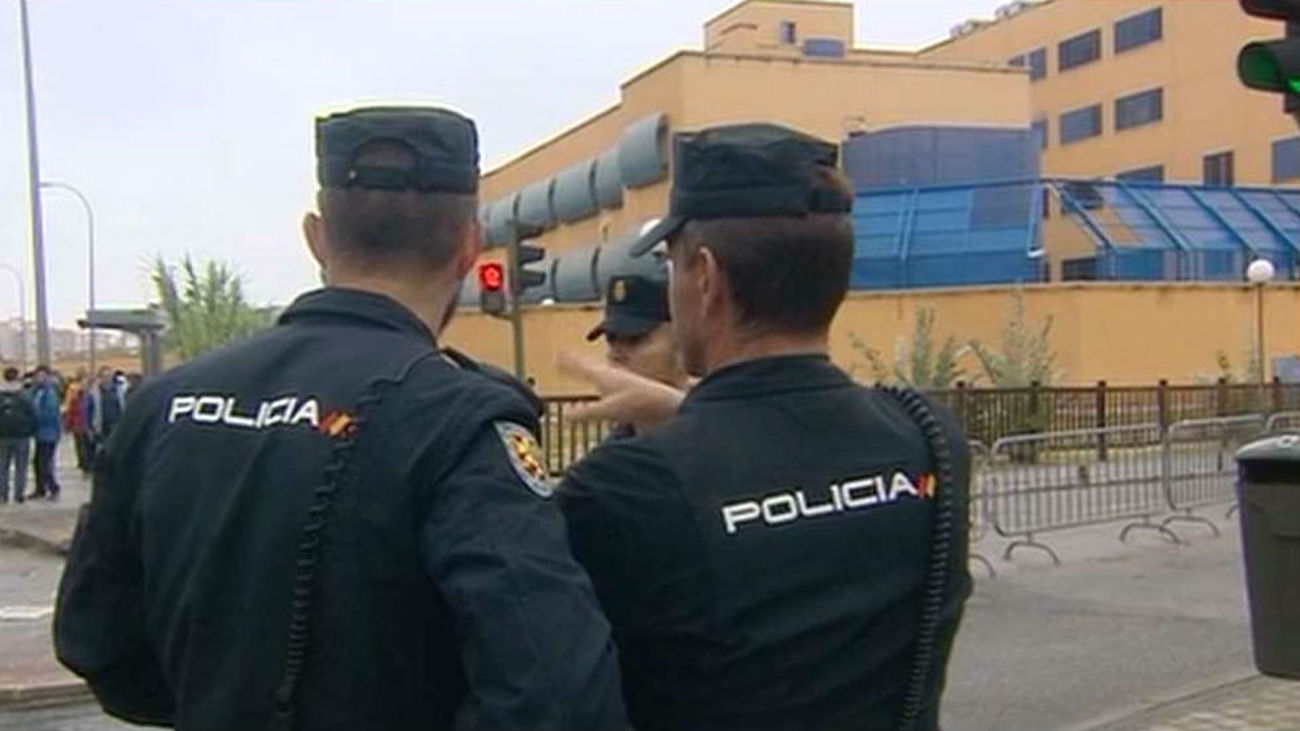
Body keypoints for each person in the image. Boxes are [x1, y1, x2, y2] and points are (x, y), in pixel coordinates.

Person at [55, 106, 625, 731]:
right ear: (469, 245)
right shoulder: (459, 421)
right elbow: (557, 695)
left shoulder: (163, 402)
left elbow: (98, 645)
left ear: (317, 238)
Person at [558, 123, 971, 731]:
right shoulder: (931, 440)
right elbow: (783, 450)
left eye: (672, 267)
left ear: (705, 277)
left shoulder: (624, 488)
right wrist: (686, 412)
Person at [585, 273, 688, 439]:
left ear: (682, 345)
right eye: (611, 339)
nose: (616, 355)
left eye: (634, 339)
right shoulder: (615, 449)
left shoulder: (716, 432)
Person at [0, 366, 35, 505]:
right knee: (21, 466)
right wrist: (31, 431)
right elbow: (33, 414)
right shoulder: (24, 395)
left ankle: (3, 494)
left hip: (2, 436)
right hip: (21, 436)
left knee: (3, 467)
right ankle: (19, 494)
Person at [28, 365, 61, 501]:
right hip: (39, 433)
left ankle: (54, 487)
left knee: (44, 462)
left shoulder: (49, 392)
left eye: (42, 376)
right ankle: (40, 489)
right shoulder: (36, 391)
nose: (39, 378)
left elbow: (49, 413)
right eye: (37, 376)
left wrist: (34, 416)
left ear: (48, 377)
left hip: (49, 432)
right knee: (37, 462)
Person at [62, 369, 93, 475]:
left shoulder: (88, 396)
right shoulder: (76, 394)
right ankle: (84, 464)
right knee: (82, 445)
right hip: (79, 424)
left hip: (83, 424)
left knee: (83, 445)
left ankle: (84, 463)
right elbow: (70, 408)